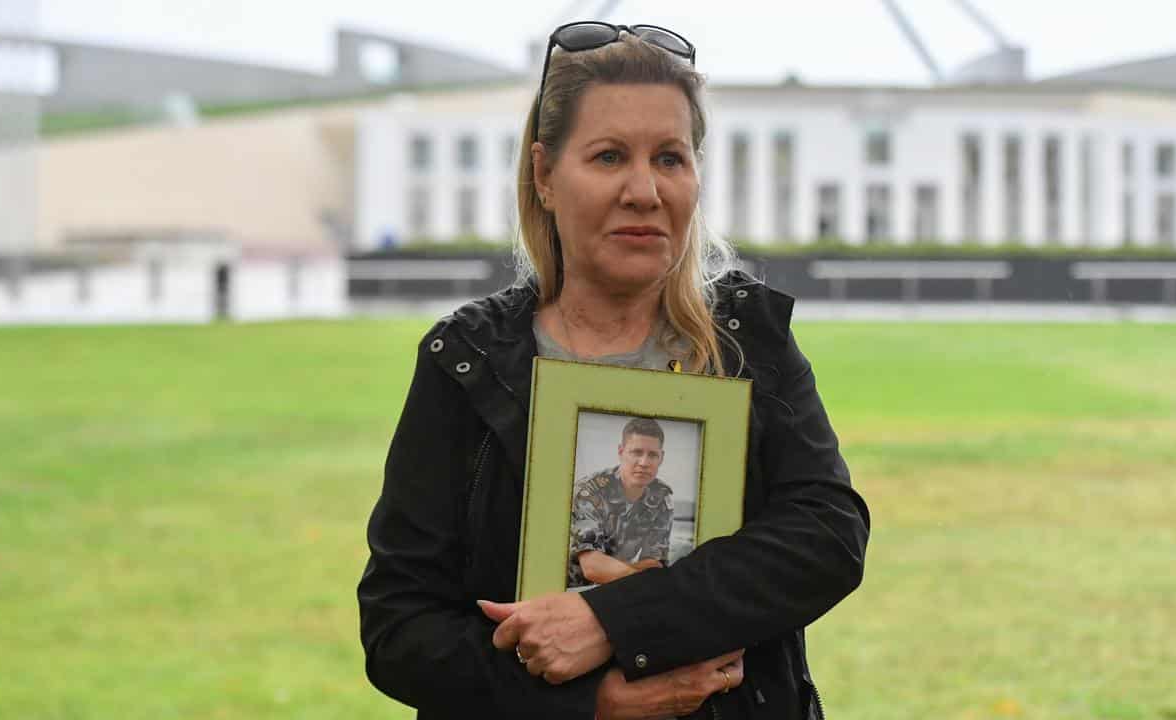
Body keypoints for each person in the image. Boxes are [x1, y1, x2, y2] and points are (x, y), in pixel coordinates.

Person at [357, 20, 871, 720]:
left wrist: (611, 622)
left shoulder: (748, 344)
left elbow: (826, 538)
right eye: (607, 157)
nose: (643, 190)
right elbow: (399, 628)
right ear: (544, 175)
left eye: (669, 158)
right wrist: (587, 704)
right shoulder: (465, 360)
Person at [568, 417, 675, 589]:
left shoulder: (661, 497)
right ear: (621, 451)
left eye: (653, 455)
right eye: (636, 452)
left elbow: (655, 565)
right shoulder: (590, 491)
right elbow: (592, 568)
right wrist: (643, 578)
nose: (644, 463)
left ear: (661, 458)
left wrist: (613, 571)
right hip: (571, 589)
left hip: (618, 589)